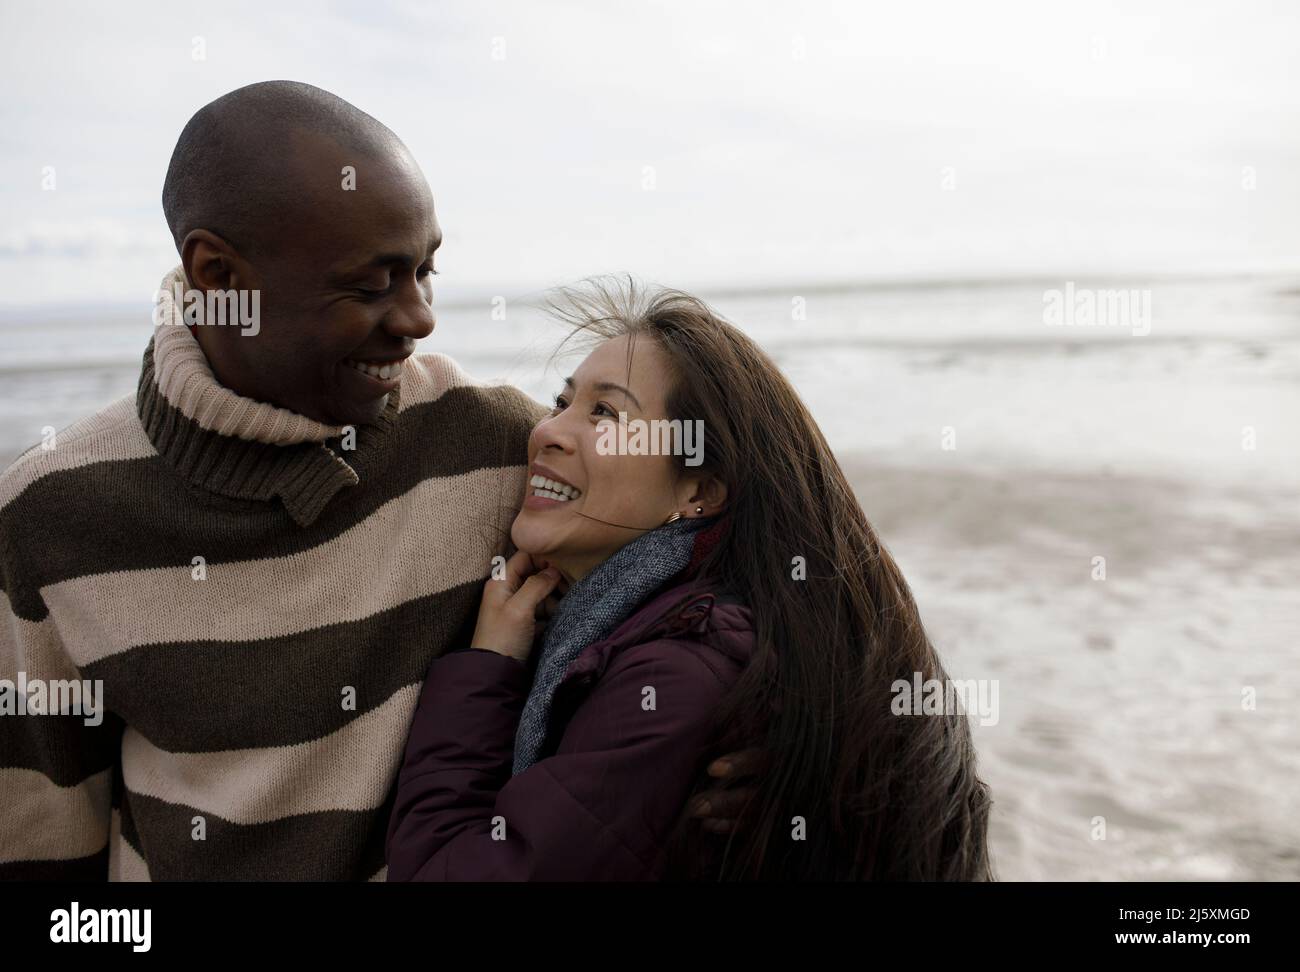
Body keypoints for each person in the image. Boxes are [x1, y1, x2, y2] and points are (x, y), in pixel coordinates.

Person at [0, 82, 741, 881]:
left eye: (425, 271)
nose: (420, 318)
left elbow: (693, 570)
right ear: (218, 273)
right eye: (371, 284)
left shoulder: (492, 445)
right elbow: (43, 840)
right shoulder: (51, 514)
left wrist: (777, 728)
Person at [386, 280, 994, 880]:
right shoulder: (635, 621)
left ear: (699, 490)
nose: (547, 431)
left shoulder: (676, 673)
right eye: (561, 402)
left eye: (605, 412)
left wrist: (486, 667)